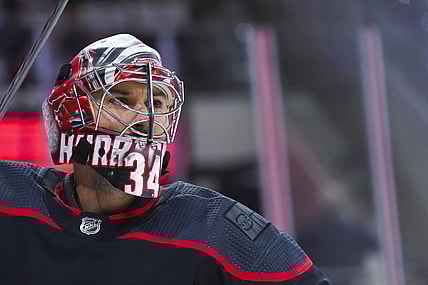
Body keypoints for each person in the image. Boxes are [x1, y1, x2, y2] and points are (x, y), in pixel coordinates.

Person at [0, 34, 330, 284]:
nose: (146, 117)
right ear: (72, 114)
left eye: (157, 101)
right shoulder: (9, 199)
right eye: (121, 98)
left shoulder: (215, 226)